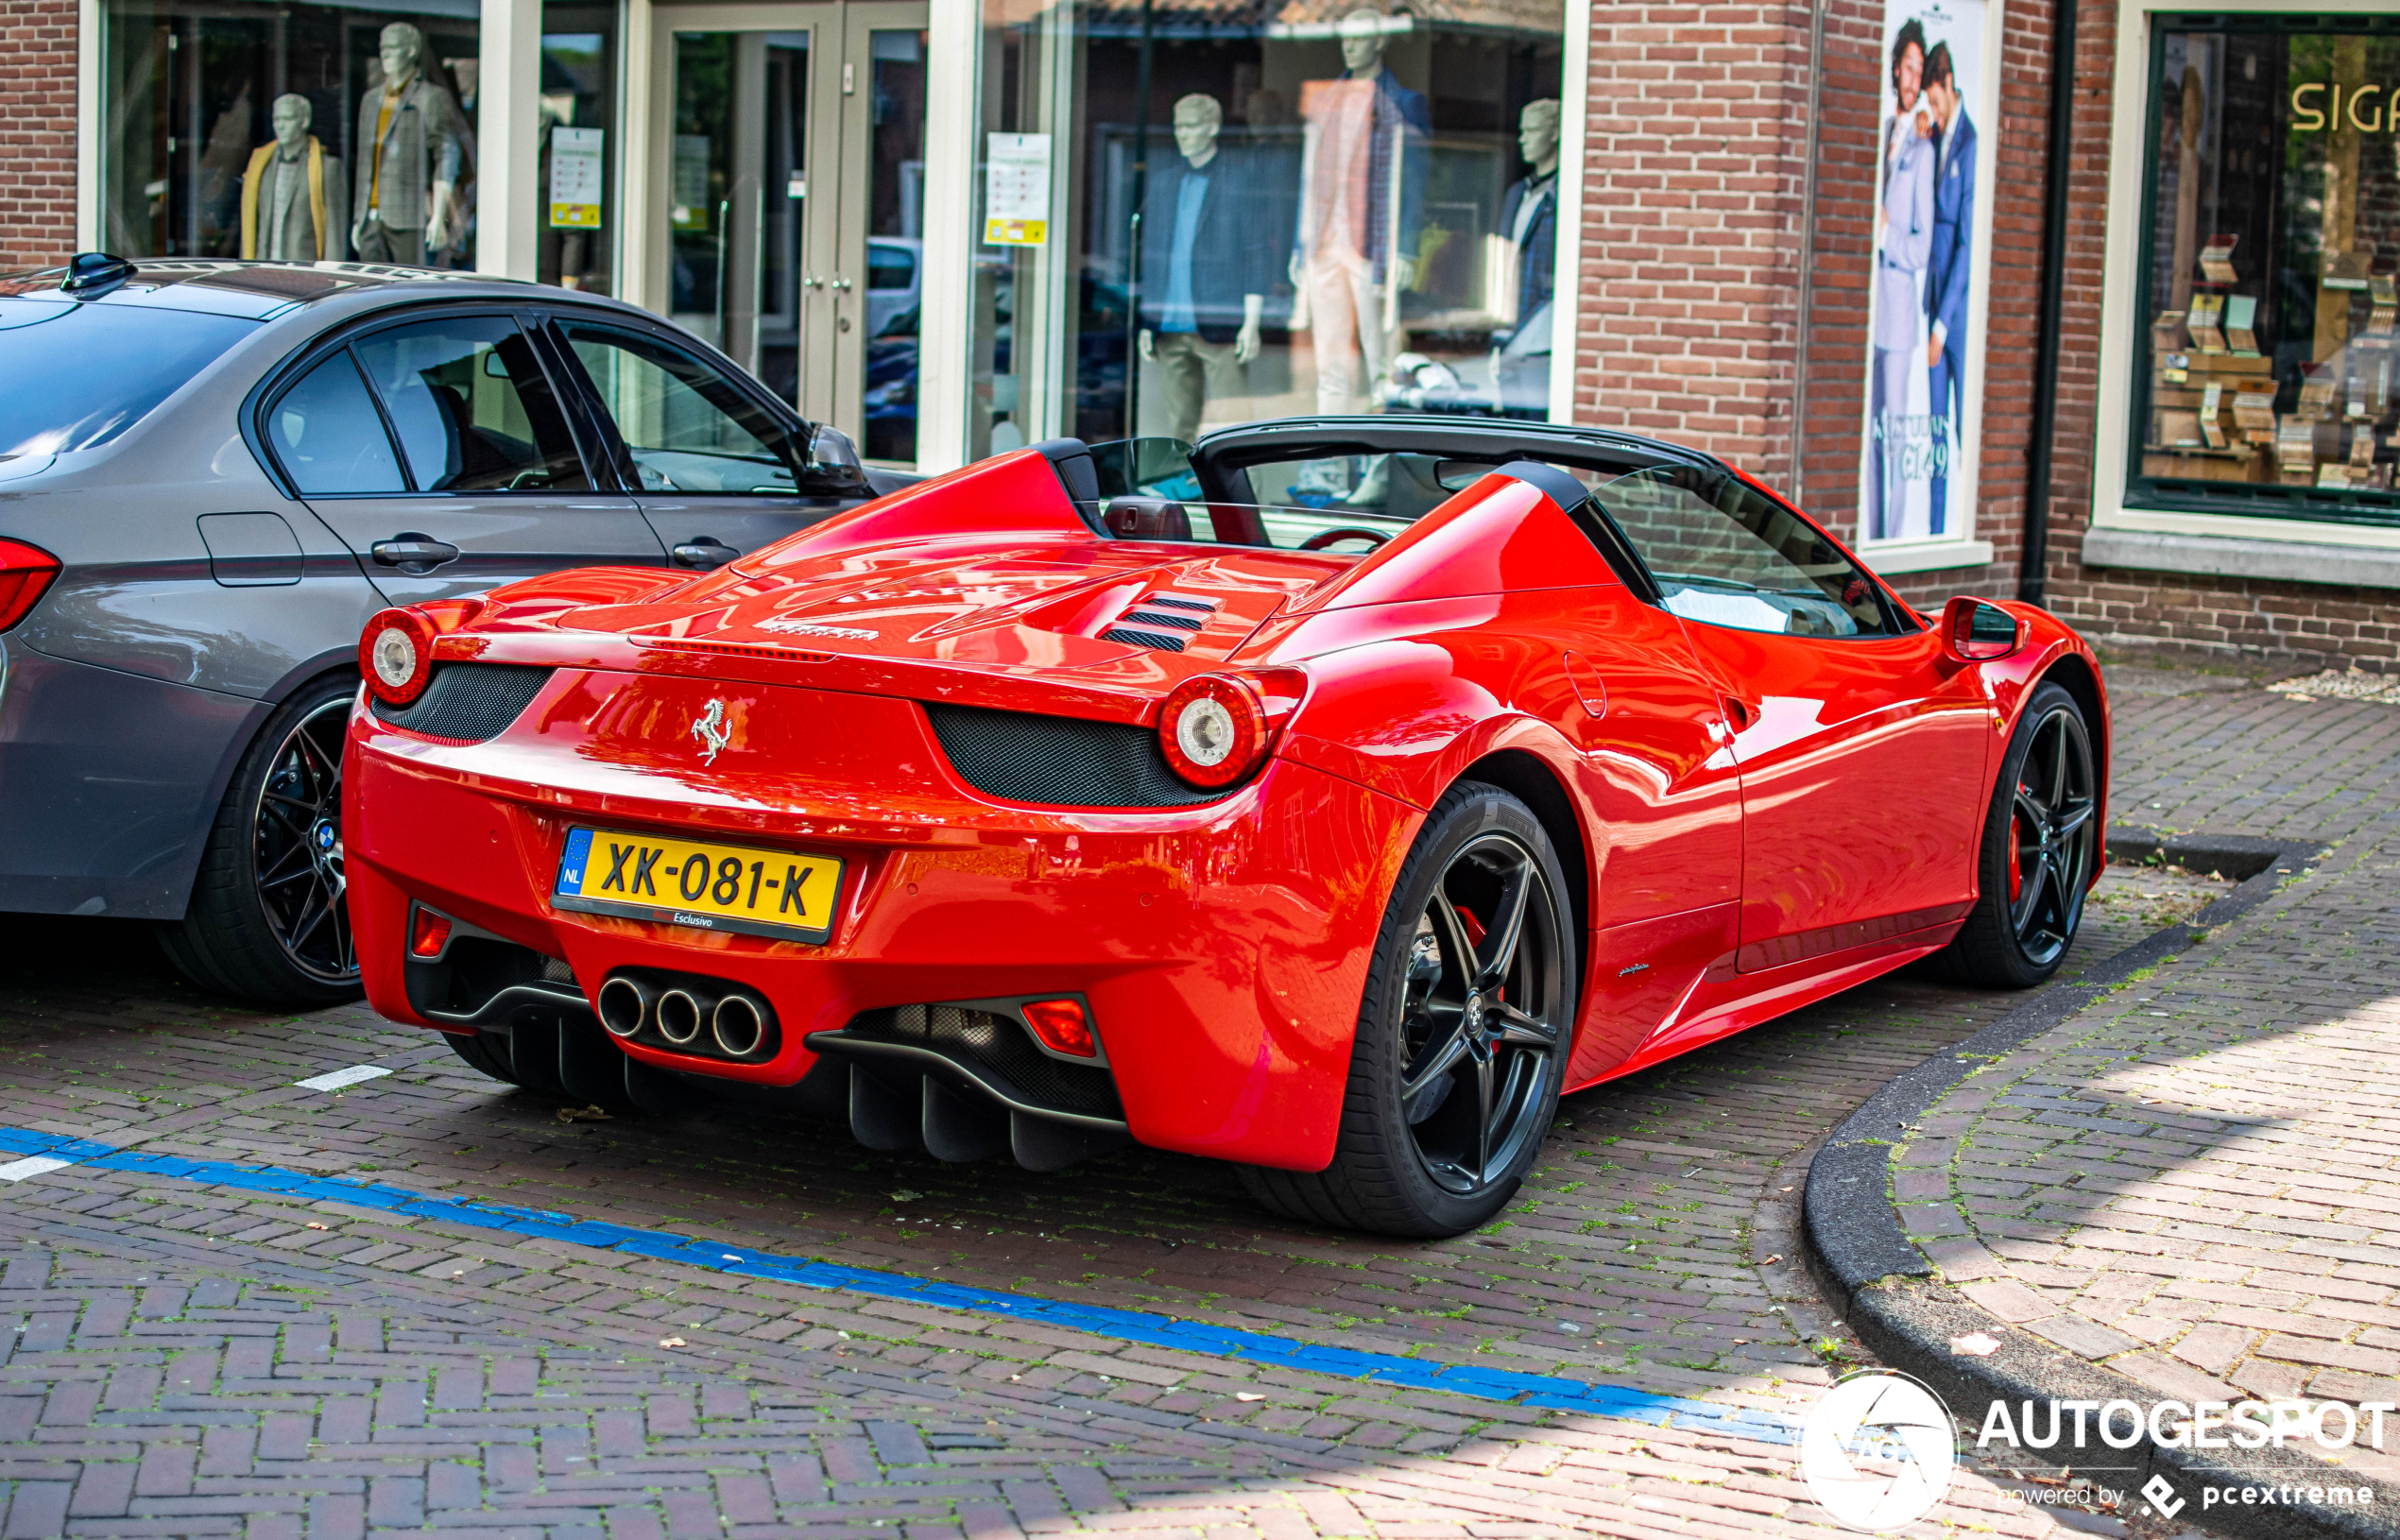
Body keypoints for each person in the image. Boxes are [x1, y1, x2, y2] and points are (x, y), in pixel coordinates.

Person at [1292, 8, 1430, 414]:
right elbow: (1309, 177)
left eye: (1357, 38)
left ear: (1379, 41)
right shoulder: (1325, 99)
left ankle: (1377, 471)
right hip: (1324, 243)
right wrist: (1300, 247)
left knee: (1379, 364)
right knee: (1330, 363)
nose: (1348, 47)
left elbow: (1414, 182)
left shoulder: (1402, 103)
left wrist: (1405, 248)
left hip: (1370, 242)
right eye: (1344, 38)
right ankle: (1329, 466)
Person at [1138, 94, 1274, 444]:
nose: (1182, 134)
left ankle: (1244, 500)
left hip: (1219, 323)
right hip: (1170, 325)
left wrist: (1252, 322)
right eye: (1178, 126)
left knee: (1235, 427)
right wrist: (1146, 320)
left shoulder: (1239, 180)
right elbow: (1150, 255)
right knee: (1180, 429)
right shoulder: (1165, 182)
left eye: (1192, 126)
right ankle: (1184, 495)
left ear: (1212, 128)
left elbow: (1256, 252)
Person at [1869, 24, 1933, 541]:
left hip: (1897, 310)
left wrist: (1886, 236)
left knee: (1892, 436)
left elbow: (1922, 245)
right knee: (1866, 438)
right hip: (1867, 306)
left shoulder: (1923, 148)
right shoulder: (1883, 130)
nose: (1912, 78)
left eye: (1920, 69)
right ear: (1895, 69)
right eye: (1907, 67)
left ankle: (1889, 540)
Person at [351, 23, 467, 266]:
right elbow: (365, 160)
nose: (385, 54)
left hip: (408, 218)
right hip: (370, 219)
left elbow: (446, 152)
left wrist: (438, 215)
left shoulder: (430, 97)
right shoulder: (371, 100)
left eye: (393, 47)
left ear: (412, 51)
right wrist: (358, 218)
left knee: (408, 290)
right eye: (383, 48)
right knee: (368, 290)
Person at [1921, 43, 1977, 538]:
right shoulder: (1940, 134)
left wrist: (1940, 323)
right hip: (1934, 302)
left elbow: (1966, 242)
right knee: (1936, 429)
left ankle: (1959, 525)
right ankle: (1937, 532)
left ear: (1948, 82)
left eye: (1934, 98)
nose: (1931, 106)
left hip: (1954, 316)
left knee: (1959, 428)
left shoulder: (1972, 143)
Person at [241, 94, 348, 261]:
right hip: (264, 268)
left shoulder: (327, 168)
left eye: (288, 119)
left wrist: (332, 274)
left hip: (305, 270)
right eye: (277, 120)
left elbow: (334, 232)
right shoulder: (261, 167)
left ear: (304, 121)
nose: (281, 126)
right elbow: (251, 226)